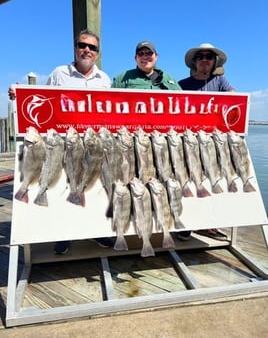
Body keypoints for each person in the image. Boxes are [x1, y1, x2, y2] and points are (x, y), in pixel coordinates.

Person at [9, 29, 114, 254]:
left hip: (94, 147)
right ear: (75, 47)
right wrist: (19, 94)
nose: (86, 50)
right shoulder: (59, 73)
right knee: (63, 189)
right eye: (82, 45)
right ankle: (64, 235)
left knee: (92, 190)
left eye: (92, 47)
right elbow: (43, 100)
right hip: (65, 145)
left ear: (97, 53)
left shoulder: (104, 79)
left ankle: (96, 232)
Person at [178, 43, 235, 242]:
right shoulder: (182, 84)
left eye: (208, 56)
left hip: (212, 143)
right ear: (194, 61)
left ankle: (207, 225)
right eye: (200, 56)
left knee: (211, 181)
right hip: (188, 144)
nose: (204, 59)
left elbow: (235, 100)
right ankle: (185, 225)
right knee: (187, 182)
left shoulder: (220, 81)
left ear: (213, 61)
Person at [112, 40, 181, 90]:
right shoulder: (122, 78)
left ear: (156, 56)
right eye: (141, 53)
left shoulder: (169, 79)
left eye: (149, 53)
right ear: (135, 58)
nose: (145, 57)